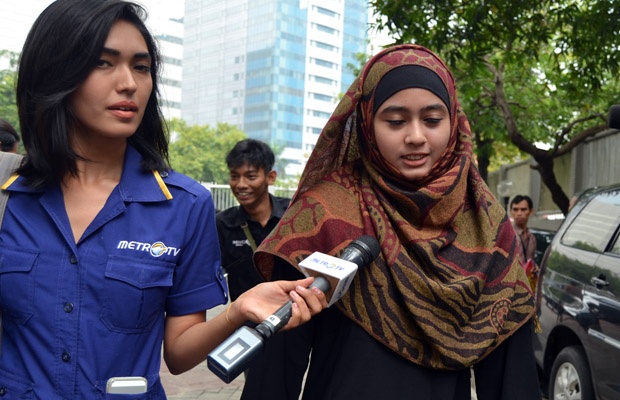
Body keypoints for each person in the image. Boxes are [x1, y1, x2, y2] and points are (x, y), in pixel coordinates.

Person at [0, 1, 326, 398]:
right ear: (55, 72)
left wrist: (238, 310)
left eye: (141, 66)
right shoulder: (8, 195)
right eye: (103, 63)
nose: (129, 83)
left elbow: (179, 353)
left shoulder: (184, 204)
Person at [252, 44, 542, 399]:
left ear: (453, 122)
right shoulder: (323, 214)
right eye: (395, 120)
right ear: (367, 123)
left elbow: (511, 377)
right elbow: (278, 364)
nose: (416, 136)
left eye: (433, 120)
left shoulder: (486, 225)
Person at [216, 138, 290, 301]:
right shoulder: (222, 224)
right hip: (247, 323)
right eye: (234, 176)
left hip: (296, 318)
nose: (241, 185)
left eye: (250, 176)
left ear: (270, 177)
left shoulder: (293, 215)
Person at [509, 194, 537, 265]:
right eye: (515, 209)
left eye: (523, 209)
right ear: (511, 212)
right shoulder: (507, 234)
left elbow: (531, 261)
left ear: (531, 211)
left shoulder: (532, 238)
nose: (519, 213)